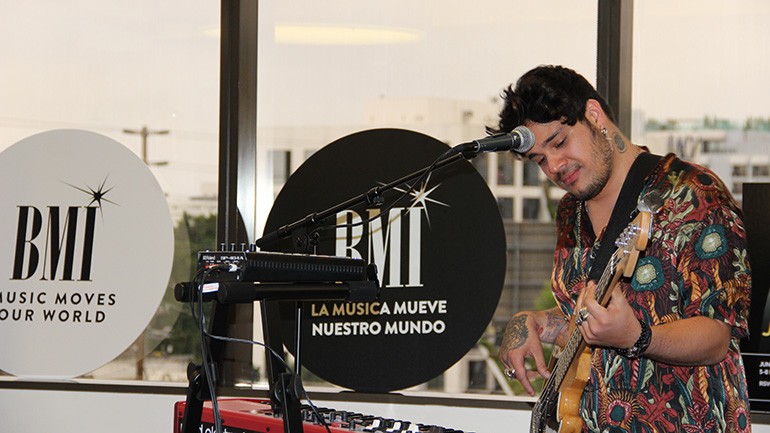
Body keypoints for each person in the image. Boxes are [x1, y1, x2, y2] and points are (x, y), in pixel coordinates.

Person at [495, 65, 752, 433]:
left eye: (559, 142)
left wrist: (638, 337)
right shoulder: (571, 210)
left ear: (594, 115)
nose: (554, 166)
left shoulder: (692, 194)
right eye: (539, 159)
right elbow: (590, 314)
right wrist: (536, 322)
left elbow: (717, 334)